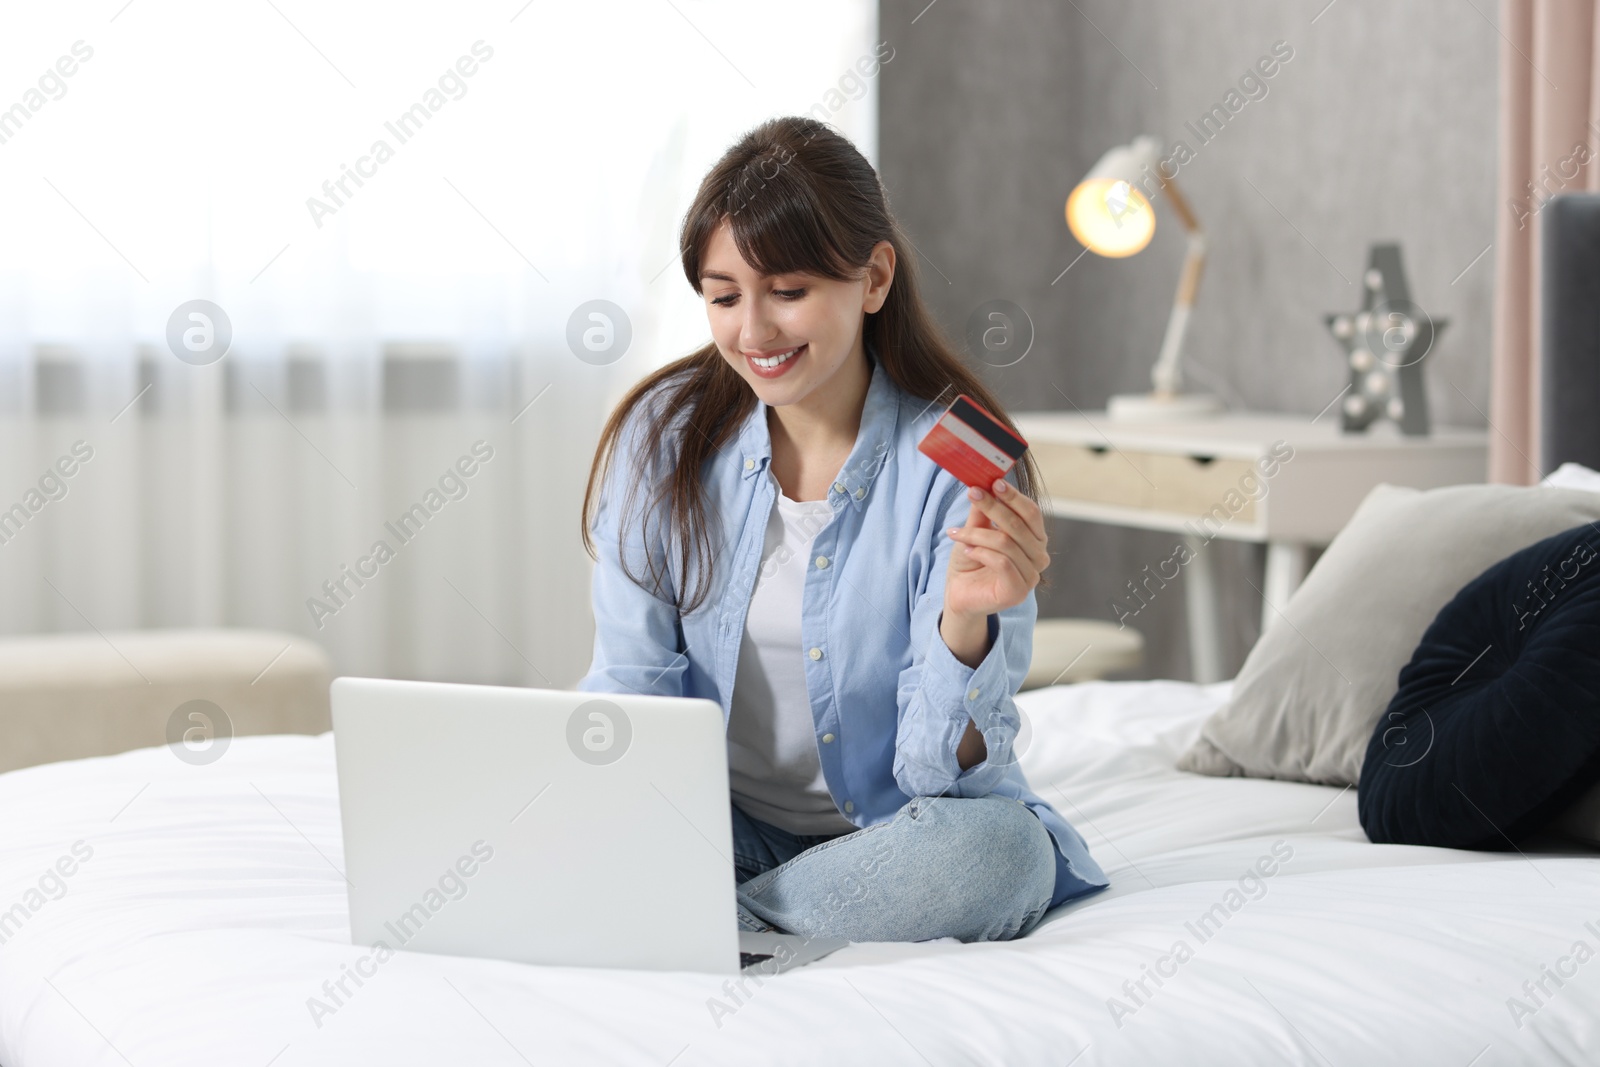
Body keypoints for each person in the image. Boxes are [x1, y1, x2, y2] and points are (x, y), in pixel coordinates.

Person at [577, 115, 1107, 943]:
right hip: (719, 829)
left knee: (1005, 854)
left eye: (788, 292)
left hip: (891, 842)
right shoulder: (663, 436)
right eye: (724, 297)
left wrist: (966, 622)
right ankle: (752, 910)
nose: (752, 333)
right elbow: (630, 685)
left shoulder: (956, 461)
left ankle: (723, 924)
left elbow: (944, 783)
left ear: (873, 278)